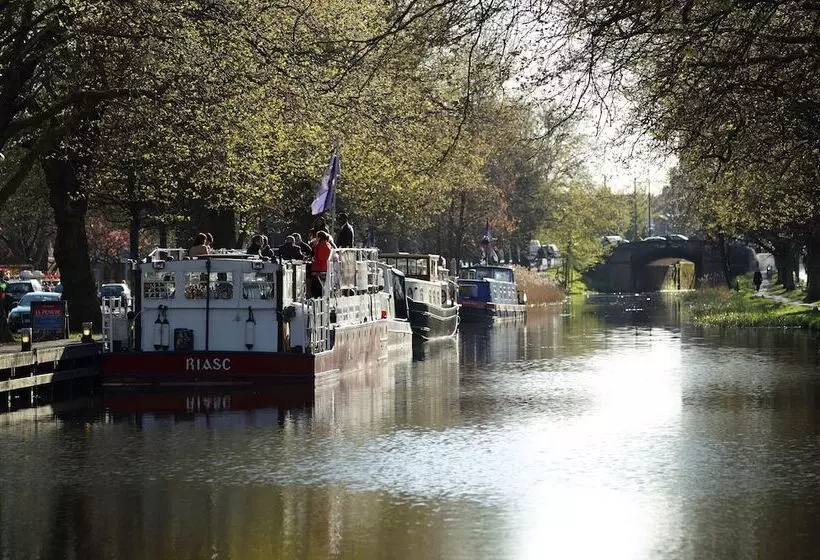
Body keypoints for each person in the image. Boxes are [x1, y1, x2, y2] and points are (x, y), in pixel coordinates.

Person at [311, 230, 332, 296]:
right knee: (323, 285)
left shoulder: (317, 245)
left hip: (317, 268)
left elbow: (315, 256)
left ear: (319, 238)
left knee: (316, 286)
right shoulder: (328, 244)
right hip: (325, 267)